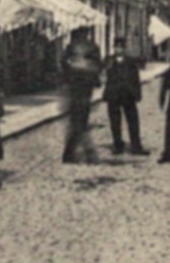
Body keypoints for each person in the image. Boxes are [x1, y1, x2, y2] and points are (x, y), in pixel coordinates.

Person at [102, 36, 150, 156]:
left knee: (133, 121)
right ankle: (117, 145)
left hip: (128, 95)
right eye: (116, 47)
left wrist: (138, 94)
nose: (118, 49)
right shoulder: (109, 61)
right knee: (115, 121)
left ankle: (136, 146)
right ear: (114, 48)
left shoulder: (131, 62)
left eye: (120, 47)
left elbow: (135, 79)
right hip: (113, 95)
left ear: (124, 48)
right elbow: (103, 75)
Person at [61, 29, 103, 164]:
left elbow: (64, 65)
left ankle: (70, 154)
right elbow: (98, 66)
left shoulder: (73, 48)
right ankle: (87, 153)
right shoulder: (89, 48)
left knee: (78, 121)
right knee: (80, 121)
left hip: (79, 89)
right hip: (81, 89)